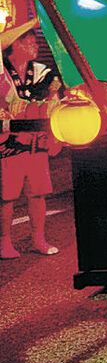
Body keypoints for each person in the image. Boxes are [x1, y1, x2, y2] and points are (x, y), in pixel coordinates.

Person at [1, 29, 61, 259]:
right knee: (6, 195)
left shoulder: (41, 72)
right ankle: (4, 243)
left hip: (37, 137)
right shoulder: (2, 70)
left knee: (38, 192)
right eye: (30, 41)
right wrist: (33, 20)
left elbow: (52, 99)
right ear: (15, 44)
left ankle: (39, 239)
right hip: (9, 140)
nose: (36, 46)